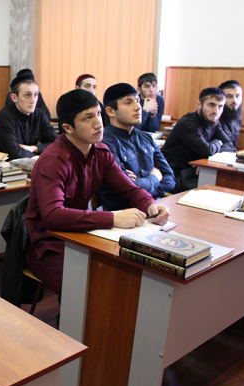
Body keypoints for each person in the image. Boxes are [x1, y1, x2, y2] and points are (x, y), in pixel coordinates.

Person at [25, 89, 170, 294]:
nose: (98, 123)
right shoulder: (53, 161)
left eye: (98, 114)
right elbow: (52, 216)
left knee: (128, 277)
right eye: (88, 118)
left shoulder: (101, 152)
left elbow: (130, 190)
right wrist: (113, 218)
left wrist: (150, 205)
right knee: (93, 289)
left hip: (85, 235)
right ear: (68, 128)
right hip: (50, 245)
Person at [98, 83, 175, 211]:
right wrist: (155, 177)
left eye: (138, 101)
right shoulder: (104, 143)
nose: (138, 107)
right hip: (124, 215)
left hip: (154, 208)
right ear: (111, 111)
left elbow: (169, 178)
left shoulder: (146, 138)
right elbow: (125, 190)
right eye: (128, 103)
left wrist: (146, 193)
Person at [162, 87, 234, 193]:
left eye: (220, 106)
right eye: (211, 105)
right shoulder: (188, 123)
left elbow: (230, 146)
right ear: (199, 105)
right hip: (175, 176)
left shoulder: (213, 121)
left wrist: (206, 162)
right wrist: (218, 142)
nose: (216, 111)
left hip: (195, 173)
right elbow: (207, 150)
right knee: (217, 190)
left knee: (228, 184)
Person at [0, 74, 57, 159]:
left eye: (36, 95)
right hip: (3, 164)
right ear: (14, 97)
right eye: (27, 95)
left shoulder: (39, 114)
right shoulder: (4, 117)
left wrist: (35, 148)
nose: (33, 100)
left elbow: (57, 144)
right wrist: (40, 158)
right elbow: (15, 153)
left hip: (29, 163)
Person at [219, 80, 244, 149]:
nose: (235, 100)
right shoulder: (215, 118)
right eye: (229, 96)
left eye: (237, 96)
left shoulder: (238, 118)